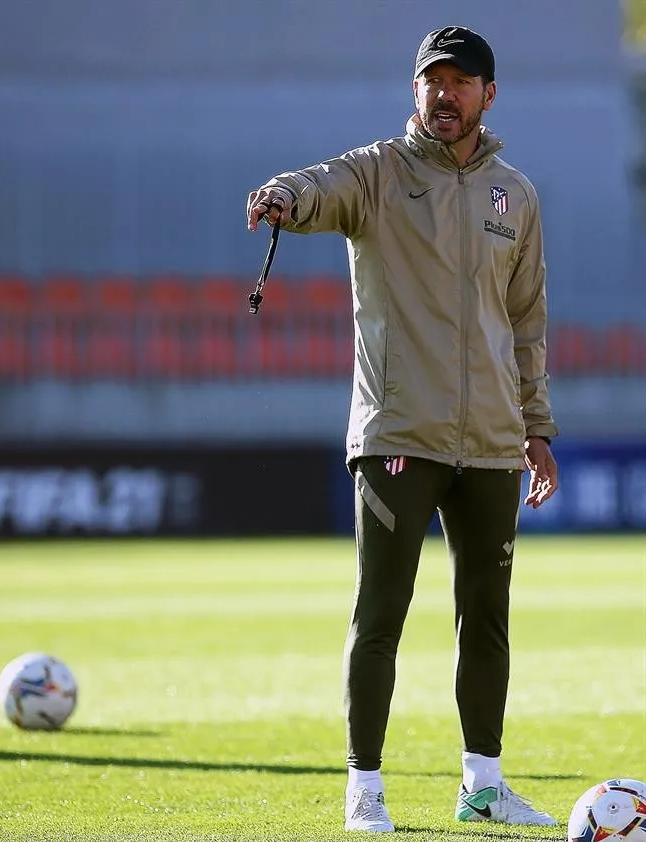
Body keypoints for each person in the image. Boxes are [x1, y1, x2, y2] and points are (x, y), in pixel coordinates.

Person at [245, 25, 560, 833]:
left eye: (461, 82)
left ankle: (482, 787)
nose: (444, 94)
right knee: (380, 613)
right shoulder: (378, 173)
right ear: (414, 91)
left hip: (490, 441)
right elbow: (318, 185)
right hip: (397, 436)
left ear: (489, 94)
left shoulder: (514, 197)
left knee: (487, 617)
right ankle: (365, 790)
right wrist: (284, 194)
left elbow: (525, 323)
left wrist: (537, 429)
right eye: (432, 81)